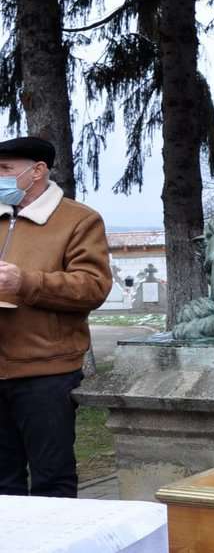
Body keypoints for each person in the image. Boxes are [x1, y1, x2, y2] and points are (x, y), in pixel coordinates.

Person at [0, 136, 112, 497]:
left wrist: (24, 281)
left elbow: (93, 287)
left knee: (52, 479)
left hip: (46, 374)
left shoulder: (79, 220)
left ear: (38, 171)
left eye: (4, 170)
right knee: (2, 481)